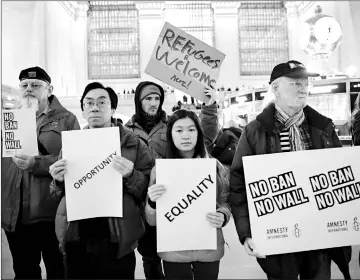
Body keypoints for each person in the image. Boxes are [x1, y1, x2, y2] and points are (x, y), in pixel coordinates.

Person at [229, 60, 352, 280]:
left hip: (319, 236)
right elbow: (239, 183)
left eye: (305, 81)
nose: (303, 86)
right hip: (278, 237)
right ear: (276, 88)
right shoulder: (255, 131)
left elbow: (340, 176)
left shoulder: (323, 127)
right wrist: (246, 232)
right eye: (295, 82)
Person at [48, 82, 154, 279]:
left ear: (113, 109)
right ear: (82, 110)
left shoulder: (133, 144)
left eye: (101, 102)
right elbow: (56, 194)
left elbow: (149, 190)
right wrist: (58, 181)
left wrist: (132, 176)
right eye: (89, 103)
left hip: (117, 237)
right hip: (76, 235)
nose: (94, 107)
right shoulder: (71, 145)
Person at [125, 81, 220, 279]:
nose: (153, 103)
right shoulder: (127, 132)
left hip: (175, 199)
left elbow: (205, 137)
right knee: (149, 257)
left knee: (177, 255)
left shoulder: (172, 125)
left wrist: (209, 107)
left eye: (157, 98)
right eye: (148, 99)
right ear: (138, 101)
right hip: (142, 201)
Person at [1, 66, 80, 279]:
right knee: (25, 271)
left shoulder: (67, 120)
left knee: (58, 270)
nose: (29, 89)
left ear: (49, 89)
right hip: (15, 214)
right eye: (24, 85)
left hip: (50, 211)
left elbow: (75, 161)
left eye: (36, 85)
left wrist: (37, 164)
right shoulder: (7, 120)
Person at [144, 109, 231, 280]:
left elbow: (226, 202)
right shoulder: (160, 171)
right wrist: (153, 202)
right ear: (171, 135)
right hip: (174, 251)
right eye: (179, 130)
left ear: (199, 133)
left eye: (191, 129)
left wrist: (223, 215)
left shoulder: (214, 166)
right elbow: (152, 221)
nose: (185, 135)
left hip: (209, 248)